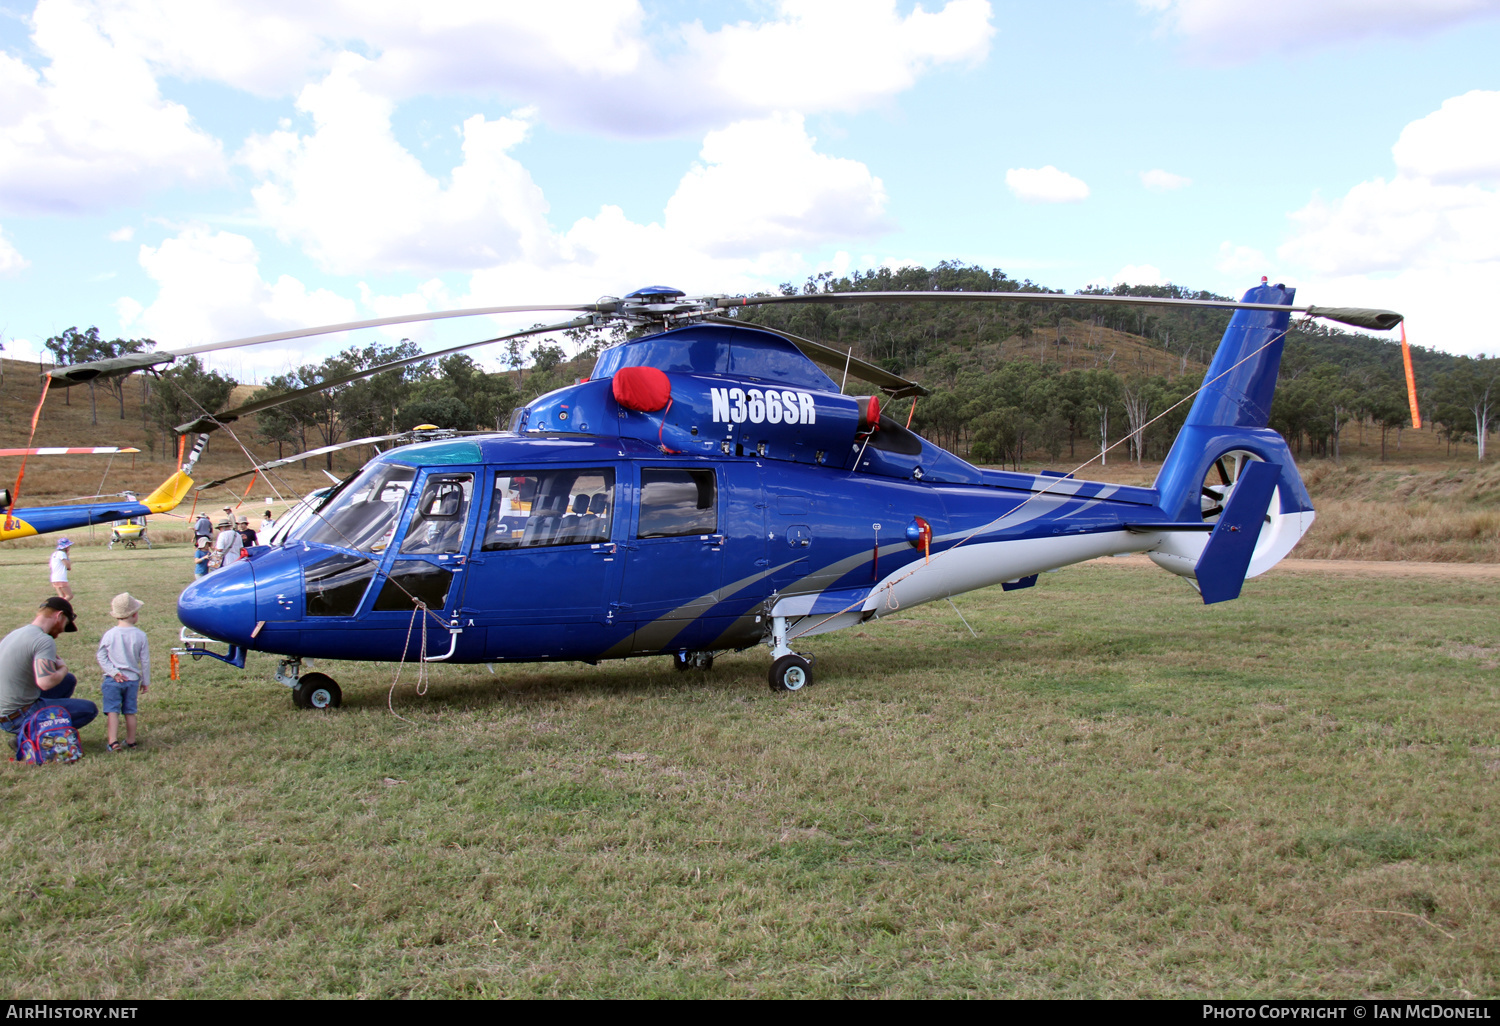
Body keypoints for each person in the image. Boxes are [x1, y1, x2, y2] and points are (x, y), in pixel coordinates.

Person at [0, 597, 96, 744]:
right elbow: (45, 683)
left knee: (67, 681)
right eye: (66, 624)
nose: (62, 631)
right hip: (17, 716)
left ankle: (28, 730)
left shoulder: (16, 634)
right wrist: (63, 668)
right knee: (88, 709)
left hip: (5, 712)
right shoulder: (43, 640)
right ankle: (27, 737)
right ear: (59, 616)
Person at [96, 593, 149, 752]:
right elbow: (145, 661)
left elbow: (101, 655)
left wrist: (113, 672)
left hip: (113, 681)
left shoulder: (110, 634)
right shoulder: (141, 635)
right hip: (132, 680)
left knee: (112, 711)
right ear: (134, 615)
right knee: (130, 711)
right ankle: (131, 740)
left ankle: (113, 741)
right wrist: (145, 681)